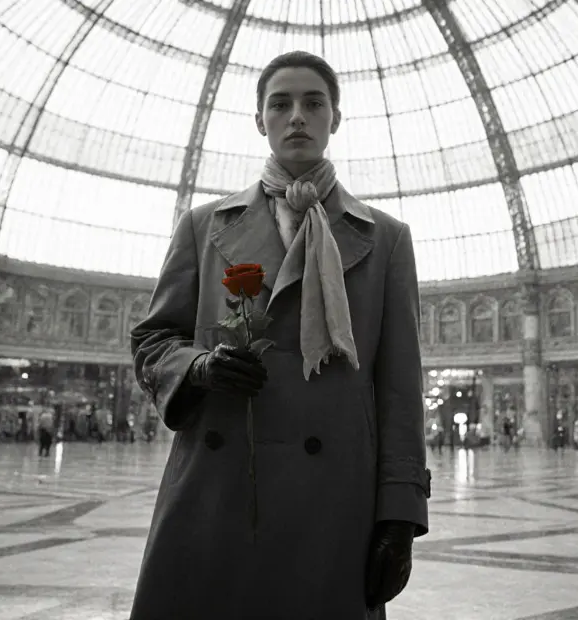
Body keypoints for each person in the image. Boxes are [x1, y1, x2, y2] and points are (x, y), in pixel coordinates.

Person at [130, 51, 430, 619]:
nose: (297, 116)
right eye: (281, 103)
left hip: (334, 499)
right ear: (260, 120)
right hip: (217, 490)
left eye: (313, 103)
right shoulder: (203, 225)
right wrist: (197, 368)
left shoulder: (387, 238)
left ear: (334, 119)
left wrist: (400, 514)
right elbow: (153, 340)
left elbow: (399, 387)